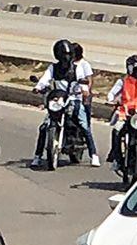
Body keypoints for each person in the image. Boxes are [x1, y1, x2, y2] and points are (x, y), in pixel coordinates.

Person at [32, 39, 100, 168]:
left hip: (74, 99)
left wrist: (84, 90)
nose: (66, 57)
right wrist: (38, 87)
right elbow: (45, 78)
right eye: (63, 54)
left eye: (68, 54)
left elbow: (82, 80)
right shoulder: (53, 67)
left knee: (84, 125)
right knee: (43, 127)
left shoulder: (77, 68)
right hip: (58, 100)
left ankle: (94, 155)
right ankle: (37, 156)